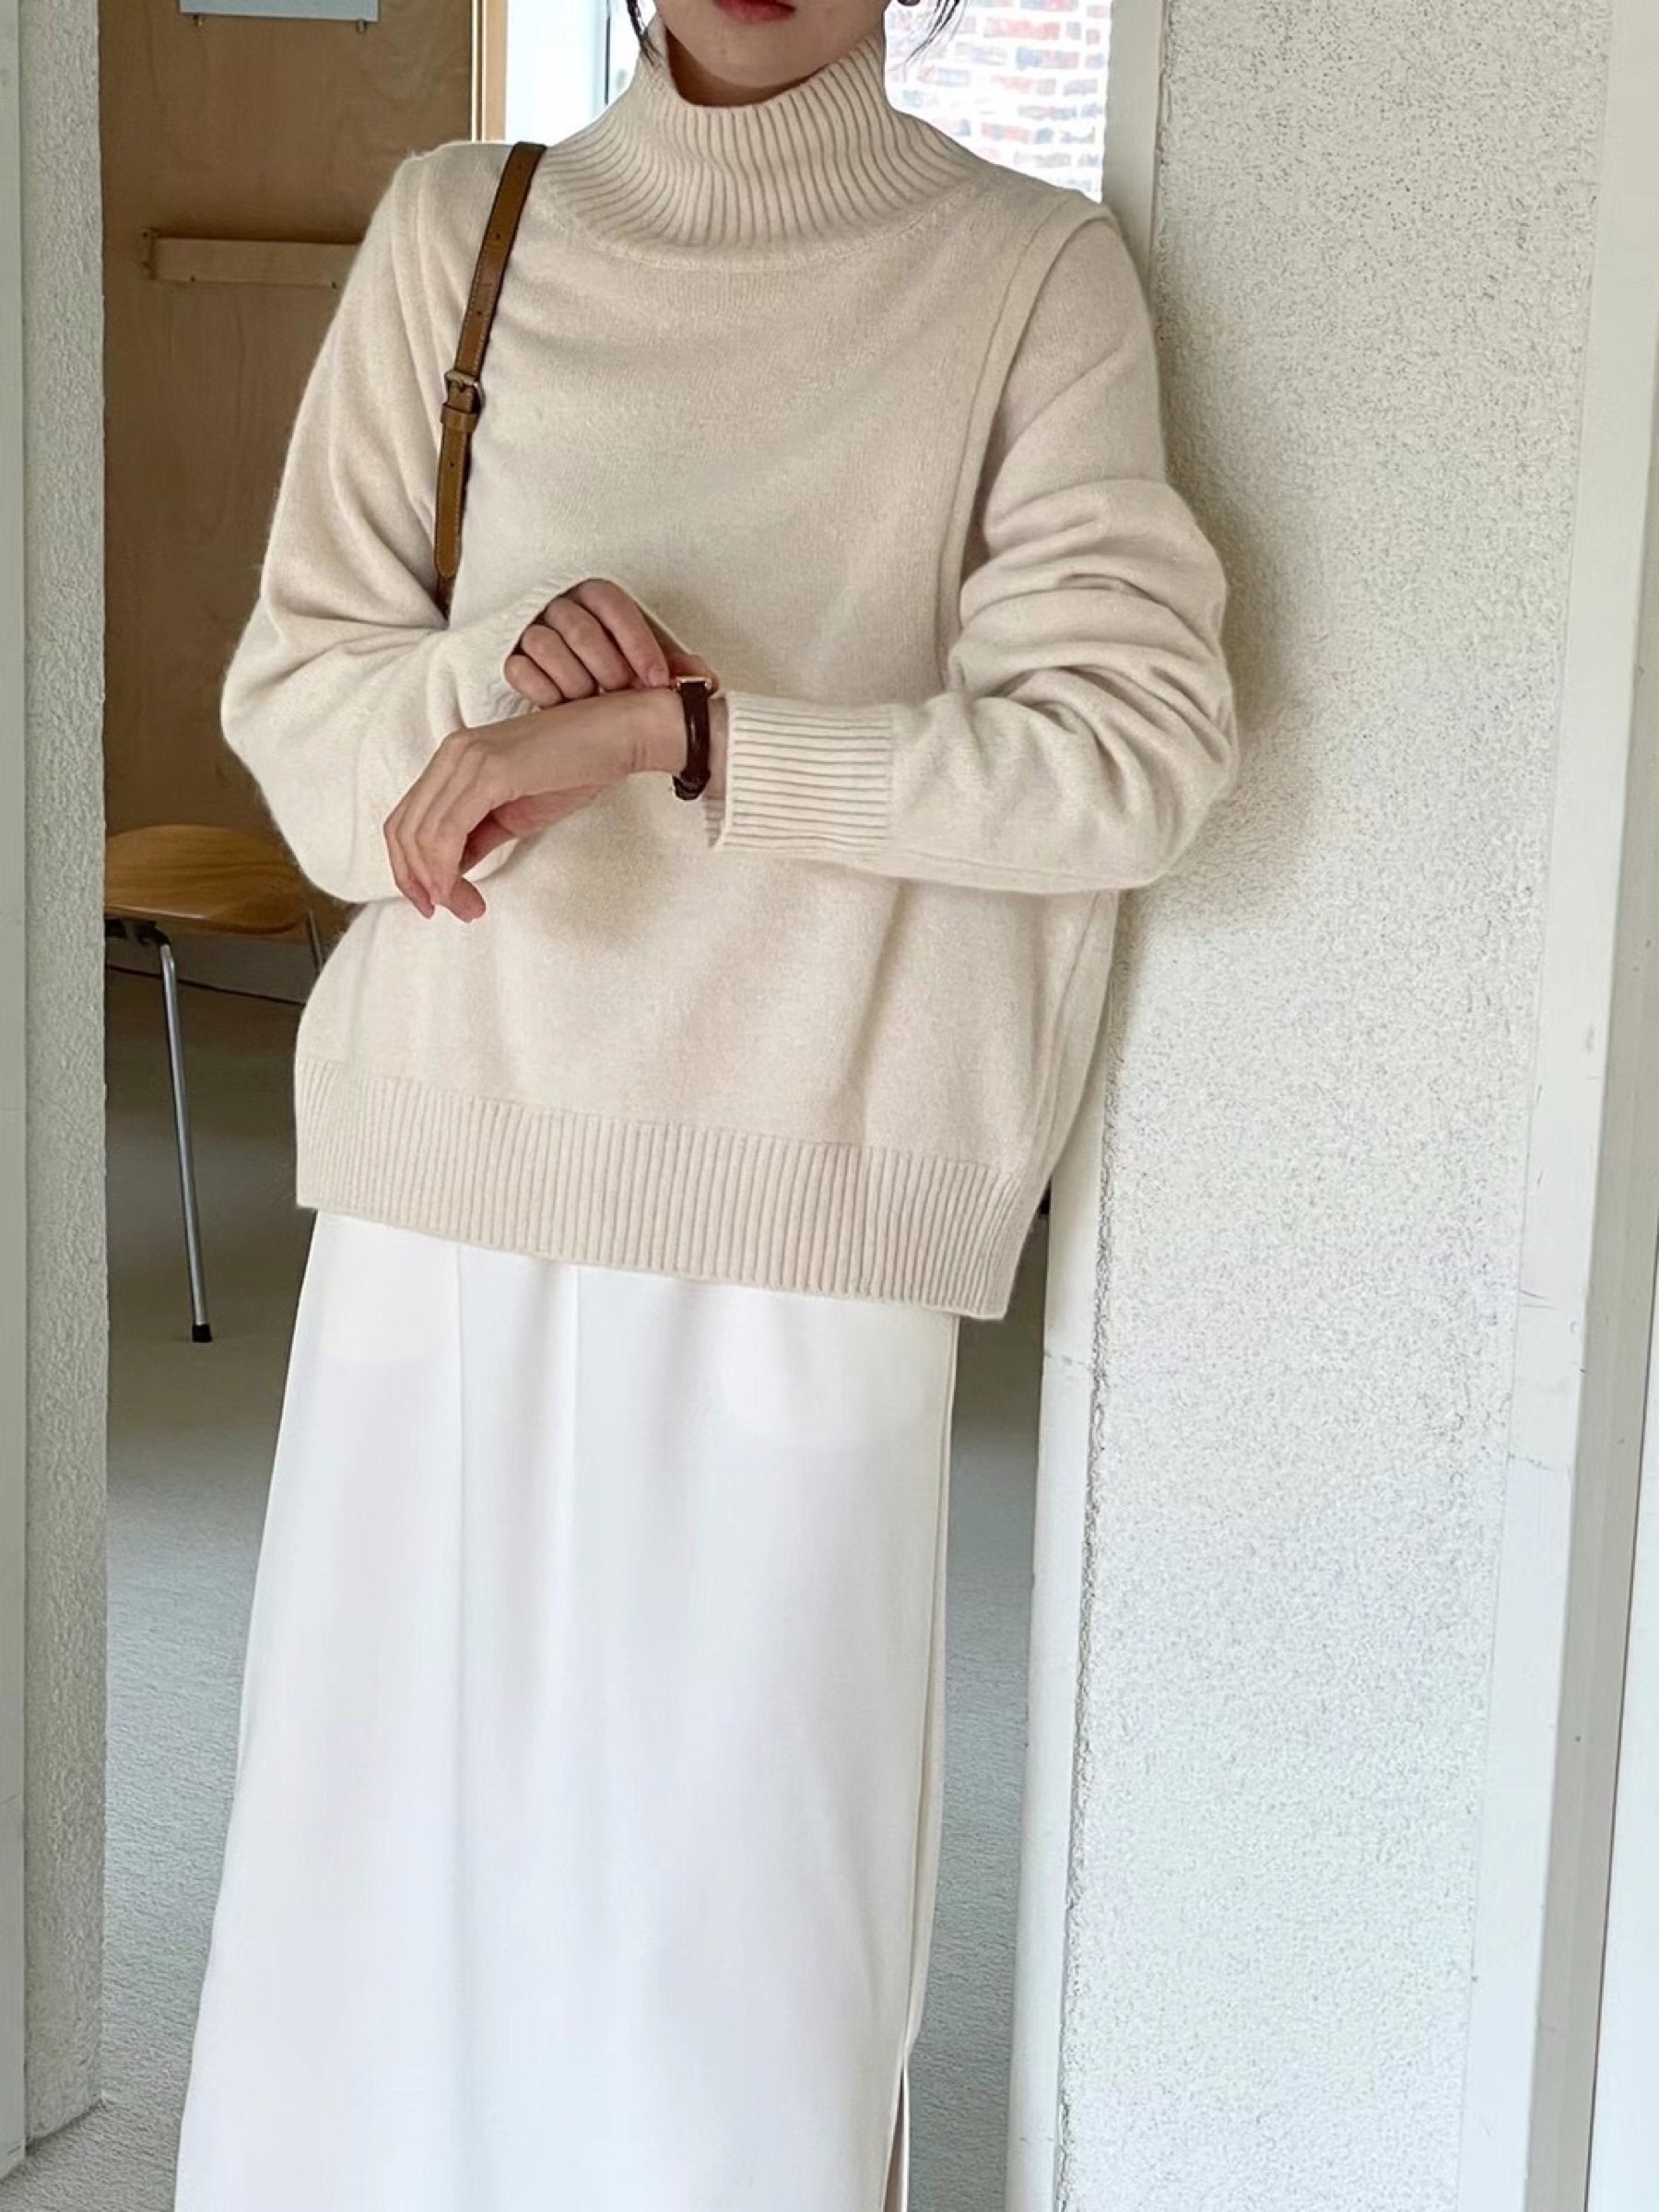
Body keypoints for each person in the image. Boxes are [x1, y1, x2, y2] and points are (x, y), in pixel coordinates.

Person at [171, 0, 1237, 2203]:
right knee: (372, 1948)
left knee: (733, 1988)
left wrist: (698, 741)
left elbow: (1129, 756)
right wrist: (496, 678)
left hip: (805, 1225)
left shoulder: (1029, 278)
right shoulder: (460, 230)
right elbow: (300, 710)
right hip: (442, 1192)